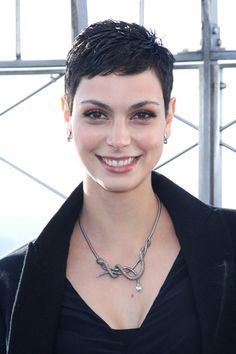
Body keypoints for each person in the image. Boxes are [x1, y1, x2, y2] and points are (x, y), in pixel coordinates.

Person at [0, 19, 236, 354]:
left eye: (142, 115)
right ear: (67, 116)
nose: (119, 139)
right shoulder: (12, 285)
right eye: (97, 114)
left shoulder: (231, 243)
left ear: (169, 118)